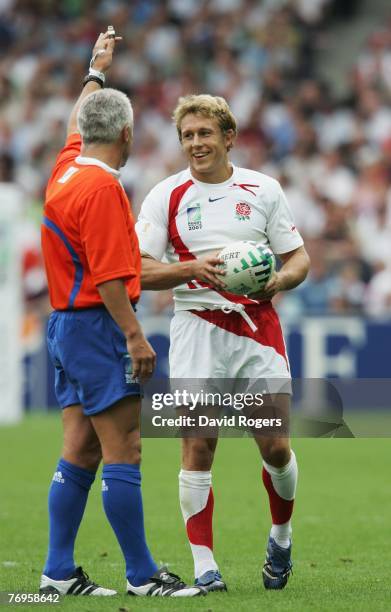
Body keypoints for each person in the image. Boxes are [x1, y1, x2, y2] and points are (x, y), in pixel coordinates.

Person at [39, 31, 205, 598]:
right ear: (128, 135)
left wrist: (95, 70)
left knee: (79, 447)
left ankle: (57, 572)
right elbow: (113, 279)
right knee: (124, 449)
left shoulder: (67, 168)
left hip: (63, 326)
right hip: (97, 326)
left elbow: (73, 124)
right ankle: (142, 576)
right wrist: (135, 337)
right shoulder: (105, 191)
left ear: (85, 133)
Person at [136, 94, 310, 592]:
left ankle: (281, 534)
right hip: (196, 328)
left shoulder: (263, 188)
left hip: (257, 328)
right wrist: (191, 268)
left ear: (228, 137)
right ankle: (204, 566)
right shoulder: (164, 196)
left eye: (205, 133)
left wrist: (278, 281)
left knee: (275, 447)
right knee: (198, 445)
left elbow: (299, 258)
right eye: (187, 135)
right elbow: (139, 270)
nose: (196, 143)